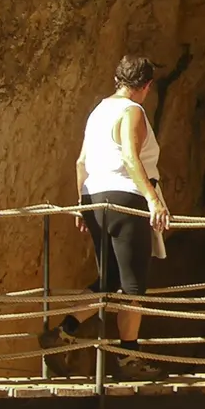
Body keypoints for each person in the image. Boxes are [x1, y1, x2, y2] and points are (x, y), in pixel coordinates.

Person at [38, 55, 170, 381]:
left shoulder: (98, 111)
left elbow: (81, 161)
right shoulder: (132, 111)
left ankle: (63, 332)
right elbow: (130, 157)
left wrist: (82, 205)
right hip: (125, 199)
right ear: (146, 86)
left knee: (108, 280)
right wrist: (153, 200)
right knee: (133, 286)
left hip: (95, 199)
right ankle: (128, 359)